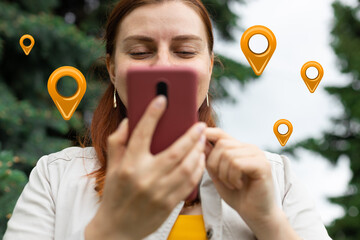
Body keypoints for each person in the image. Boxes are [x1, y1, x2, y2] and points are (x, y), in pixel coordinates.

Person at [3, 0, 332, 239]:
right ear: (114, 71)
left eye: (186, 51)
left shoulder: (275, 179)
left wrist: (270, 222)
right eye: (140, 52)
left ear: (208, 67)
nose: (164, 66)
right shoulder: (55, 178)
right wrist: (110, 232)